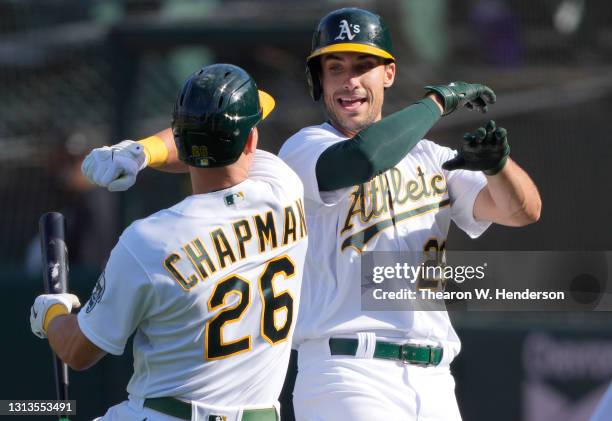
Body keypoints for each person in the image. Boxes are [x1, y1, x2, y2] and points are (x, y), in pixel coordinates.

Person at [78, 7, 541, 420]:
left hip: (437, 377)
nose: (349, 80)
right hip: (348, 371)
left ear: (389, 74)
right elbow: (357, 160)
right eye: (334, 67)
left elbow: (521, 211)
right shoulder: (306, 149)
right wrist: (143, 151)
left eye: (363, 65)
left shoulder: (431, 157)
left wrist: (499, 167)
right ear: (317, 80)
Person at [29, 63, 308, 421]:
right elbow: (223, 148)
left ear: (181, 139)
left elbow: (77, 350)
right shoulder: (284, 189)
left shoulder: (148, 241)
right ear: (251, 139)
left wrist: (53, 311)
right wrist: (143, 153)